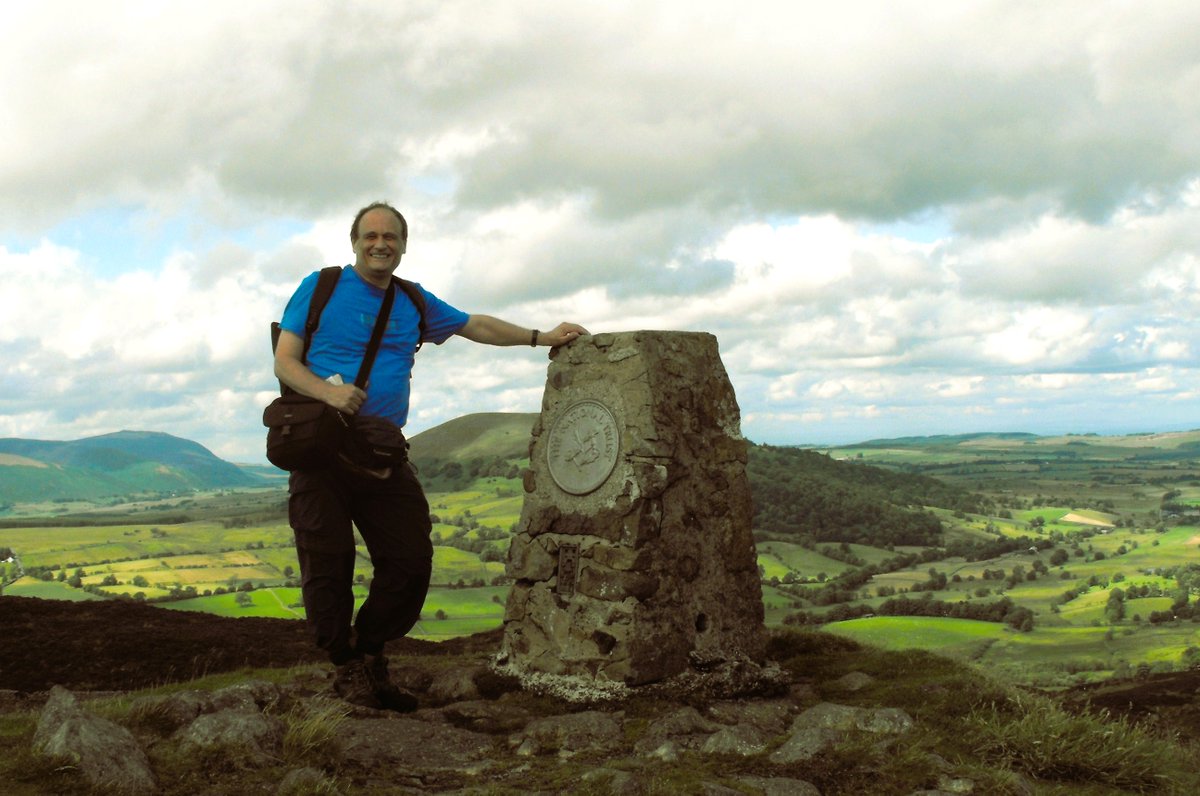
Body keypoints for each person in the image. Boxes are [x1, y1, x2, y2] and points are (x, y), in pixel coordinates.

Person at [273, 201, 588, 710]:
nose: (381, 244)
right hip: (320, 449)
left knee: (411, 562)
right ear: (354, 242)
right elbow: (285, 360)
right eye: (371, 235)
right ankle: (346, 667)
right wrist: (328, 394)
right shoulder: (321, 286)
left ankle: (370, 647)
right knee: (327, 565)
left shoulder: (413, 302)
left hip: (380, 451)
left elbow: (475, 325)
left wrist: (541, 338)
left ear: (403, 244)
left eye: (391, 236)